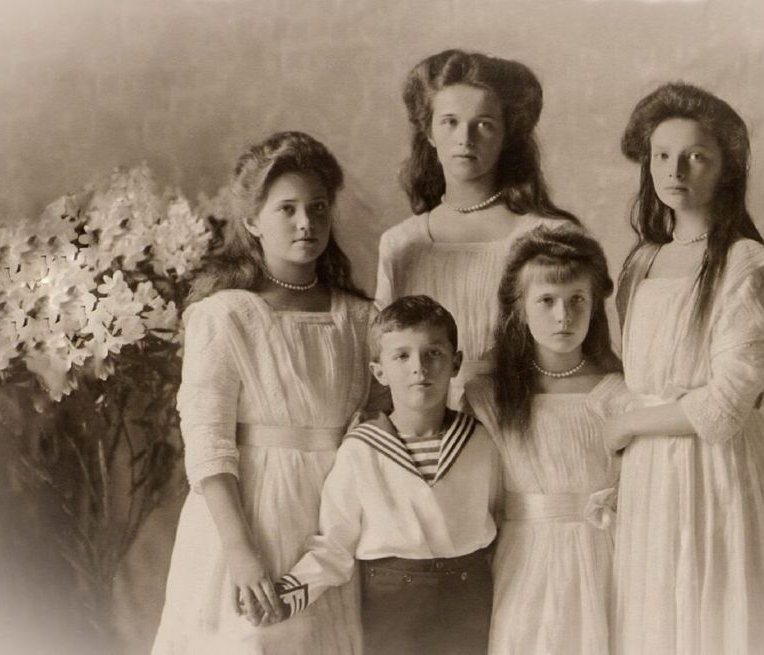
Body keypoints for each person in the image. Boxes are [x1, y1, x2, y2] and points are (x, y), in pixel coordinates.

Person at [607, 82, 764, 654]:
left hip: (715, 472)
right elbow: (640, 374)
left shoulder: (748, 265)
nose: (675, 170)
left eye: (696, 156)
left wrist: (627, 425)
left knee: (717, 616)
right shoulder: (643, 262)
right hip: (649, 476)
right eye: (662, 156)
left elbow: (723, 407)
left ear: (725, 170)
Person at [152, 131, 370, 654]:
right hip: (248, 518)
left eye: (318, 208)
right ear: (252, 221)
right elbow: (207, 444)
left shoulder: (362, 319)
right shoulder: (223, 316)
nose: (306, 223)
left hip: (331, 520)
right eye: (287, 209)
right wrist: (240, 551)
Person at [273, 295, 499, 655]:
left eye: (433, 353)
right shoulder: (361, 450)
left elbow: (502, 519)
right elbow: (335, 544)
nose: (419, 368)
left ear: (455, 363)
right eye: (402, 356)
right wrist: (289, 593)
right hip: (393, 605)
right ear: (379, 372)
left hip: (469, 600)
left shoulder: (481, 441)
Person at [375, 48, 581, 406]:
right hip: (427, 420)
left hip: (522, 412)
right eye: (450, 122)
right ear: (429, 132)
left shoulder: (549, 236)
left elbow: (580, 355)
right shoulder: (401, 243)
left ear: (506, 135)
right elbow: (385, 352)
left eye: (484, 124)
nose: (465, 138)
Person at [466, 226, 630, 655]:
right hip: (524, 556)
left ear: (594, 307)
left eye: (577, 300)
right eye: (546, 301)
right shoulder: (490, 397)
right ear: (519, 309)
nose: (563, 316)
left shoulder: (617, 392)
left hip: (604, 553)